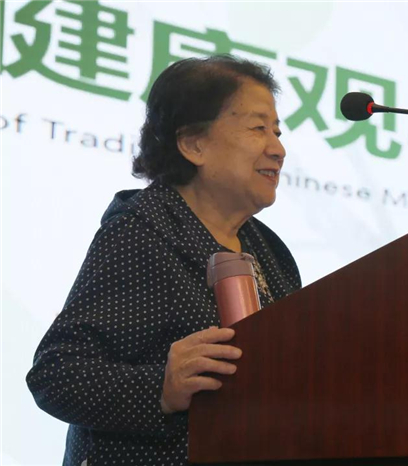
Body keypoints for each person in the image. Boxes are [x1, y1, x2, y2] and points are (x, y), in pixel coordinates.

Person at [26, 55, 302, 466]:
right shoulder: (141, 231)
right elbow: (56, 374)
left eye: (277, 132)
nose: (278, 149)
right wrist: (161, 387)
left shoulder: (271, 252)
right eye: (258, 128)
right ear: (193, 144)